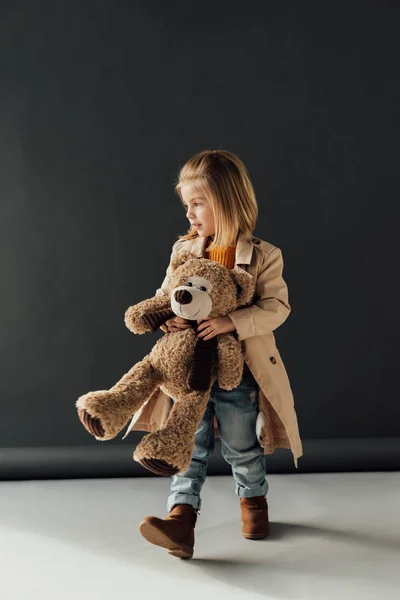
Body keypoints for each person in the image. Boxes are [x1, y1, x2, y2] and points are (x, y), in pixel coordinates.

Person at [138, 149, 302, 559]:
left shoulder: (264, 255)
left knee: (241, 445)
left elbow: (277, 308)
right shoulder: (183, 251)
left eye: (197, 204)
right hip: (188, 372)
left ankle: (253, 502)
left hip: (238, 372)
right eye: (186, 205)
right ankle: (181, 518)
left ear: (226, 202)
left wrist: (233, 322)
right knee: (188, 444)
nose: (189, 215)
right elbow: (166, 297)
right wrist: (166, 319)